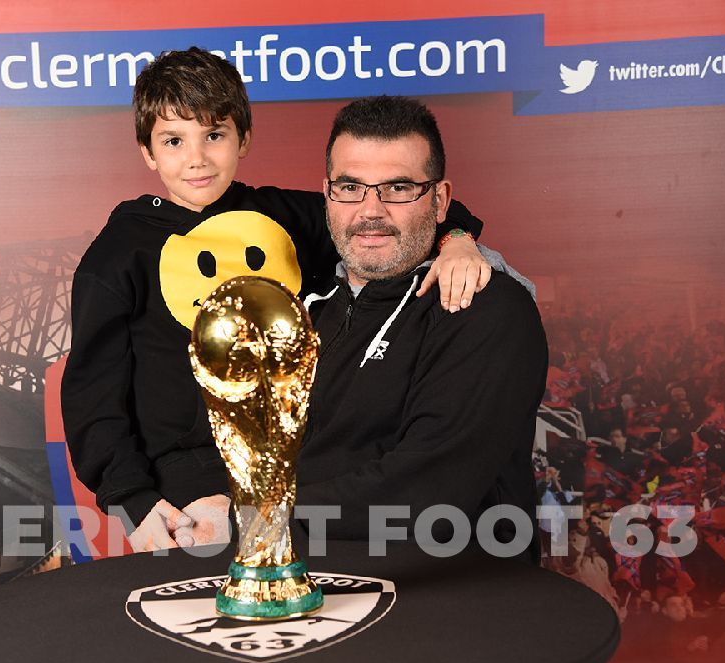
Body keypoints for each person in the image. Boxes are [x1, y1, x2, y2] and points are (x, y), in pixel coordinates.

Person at [61, 49, 512, 552]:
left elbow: (386, 215)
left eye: (214, 135)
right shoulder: (118, 253)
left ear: (243, 138)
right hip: (186, 479)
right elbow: (92, 393)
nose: (197, 158)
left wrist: (458, 242)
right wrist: (132, 500)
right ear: (147, 151)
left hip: (301, 464)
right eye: (173, 140)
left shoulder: (283, 215)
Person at [291, 96, 548, 561]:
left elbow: (428, 493)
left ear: (440, 200)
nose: (370, 210)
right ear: (327, 193)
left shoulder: (486, 308)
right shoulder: (302, 311)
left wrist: (260, 514)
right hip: (303, 600)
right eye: (351, 186)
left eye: (398, 188)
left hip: (447, 612)